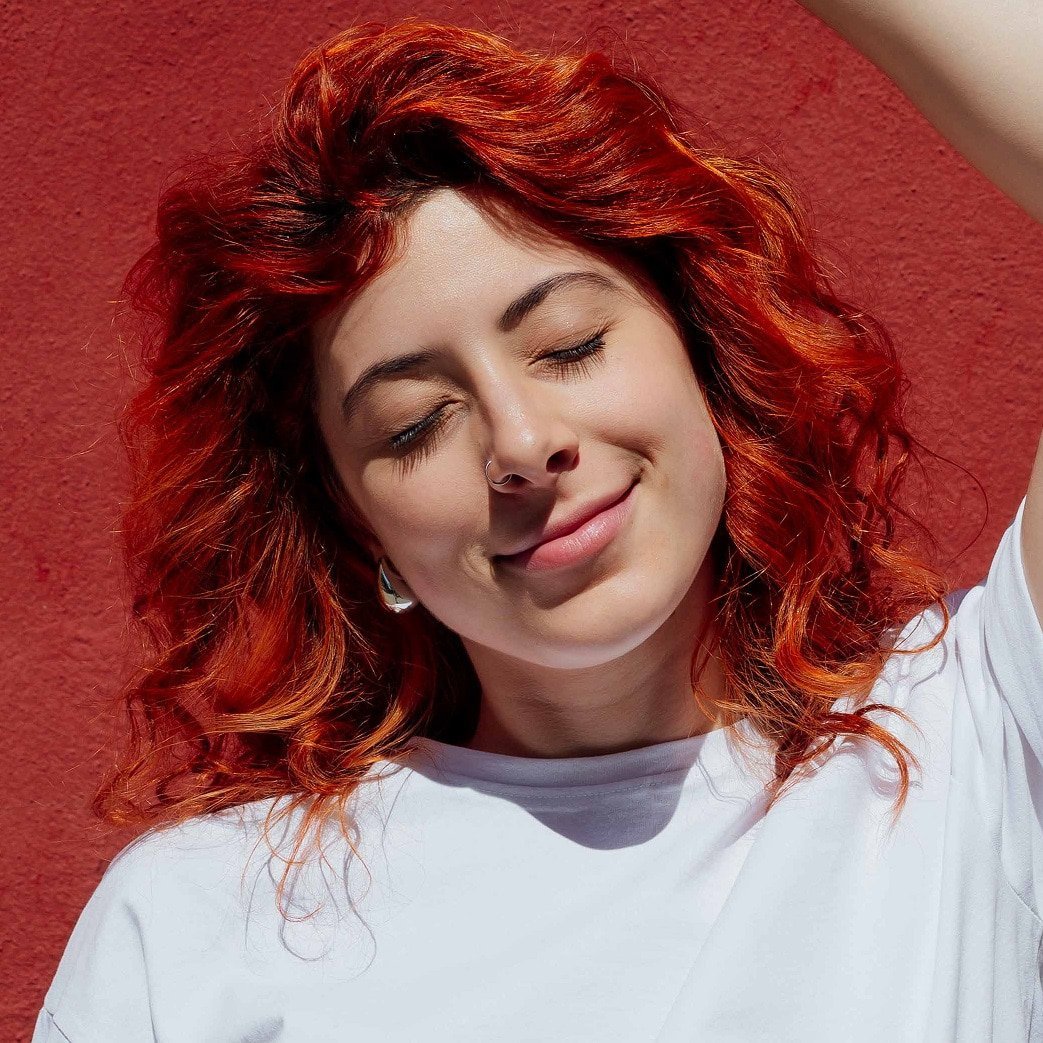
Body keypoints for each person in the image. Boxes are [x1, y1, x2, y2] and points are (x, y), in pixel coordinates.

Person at [33, 5, 1042, 1041]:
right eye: (415, 422)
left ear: (699, 348)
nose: (519, 441)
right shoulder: (194, 927)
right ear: (353, 516)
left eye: (565, 345)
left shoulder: (970, 738)